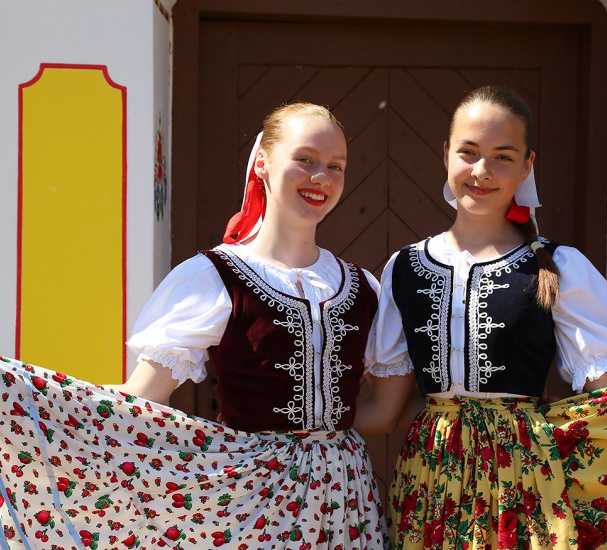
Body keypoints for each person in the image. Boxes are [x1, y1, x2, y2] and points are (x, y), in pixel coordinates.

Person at [0, 102, 405, 549]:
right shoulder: (214, 276)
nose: (321, 177)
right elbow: (143, 398)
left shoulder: (362, 287)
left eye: (335, 166)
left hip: (345, 498)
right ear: (263, 163)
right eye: (305, 159)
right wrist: (28, 402)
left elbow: (384, 413)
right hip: (252, 500)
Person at [364, 85, 607, 549]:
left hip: (526, 479)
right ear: (446, 153)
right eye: (468, 152)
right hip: (430, 480)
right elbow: (386, 412)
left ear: (527, 165)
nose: (482, 170)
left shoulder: (560, 266)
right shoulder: (404, 268)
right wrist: (297, 425)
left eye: (503, 157)